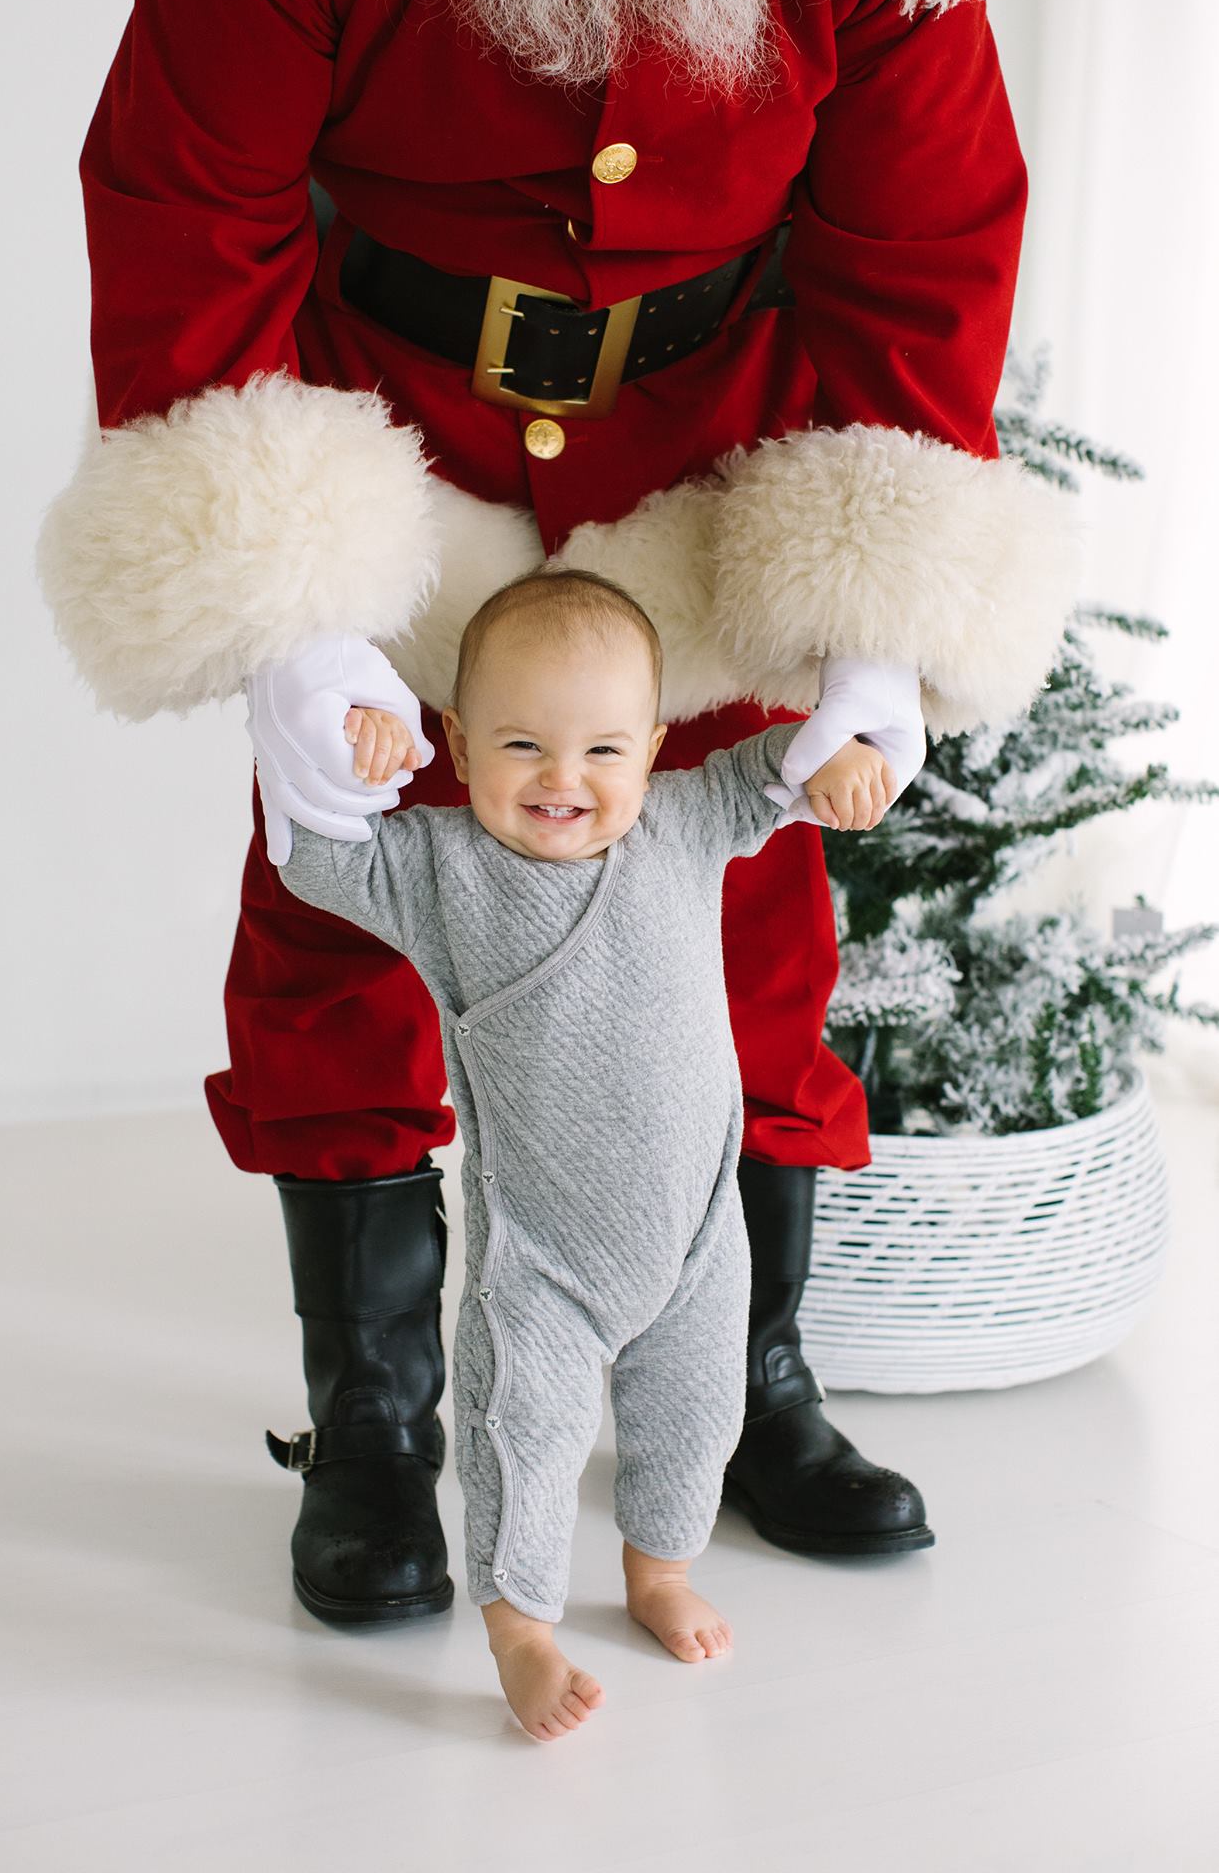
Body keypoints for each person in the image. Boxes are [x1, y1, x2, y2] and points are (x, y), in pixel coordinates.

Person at [37, 0, 1082, 1622]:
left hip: (709, 445)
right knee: (340, 904)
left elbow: (924, 231)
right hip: (392, 431)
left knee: (745, 916)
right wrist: (294, 613)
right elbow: (185, 189)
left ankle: (752, 1381)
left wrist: (883, 624)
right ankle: (373, 1422)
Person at [264, 566, 902, 1739]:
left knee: (698, 1416)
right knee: (529, 1431)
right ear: (455, 741)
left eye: (605, 750)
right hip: (544, 1258)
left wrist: (842, 761)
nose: (565, 779)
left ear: (653, 746)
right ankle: (522, 1631)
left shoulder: (682, 817)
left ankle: (658, 1572)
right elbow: (315, 855)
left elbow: (772, 773)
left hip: (701, 1229)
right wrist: (330, 740)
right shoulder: (441, 863)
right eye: (523, 745)